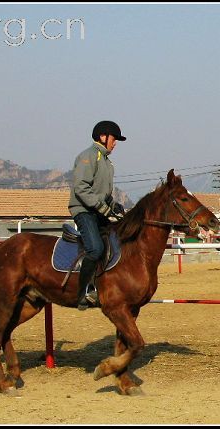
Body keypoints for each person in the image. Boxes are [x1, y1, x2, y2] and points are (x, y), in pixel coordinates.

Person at [68, 120, 127, 309]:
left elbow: (103, 193)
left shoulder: (107, 162)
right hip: (84, 211)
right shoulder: (88, 157)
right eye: (114, 138)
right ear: (103, 137)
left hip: (97, 210)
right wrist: (102, 208)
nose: (115, 142)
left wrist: (114, 205)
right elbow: (81, 188)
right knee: (95, 249)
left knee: (115, 242)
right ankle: (82, 293)